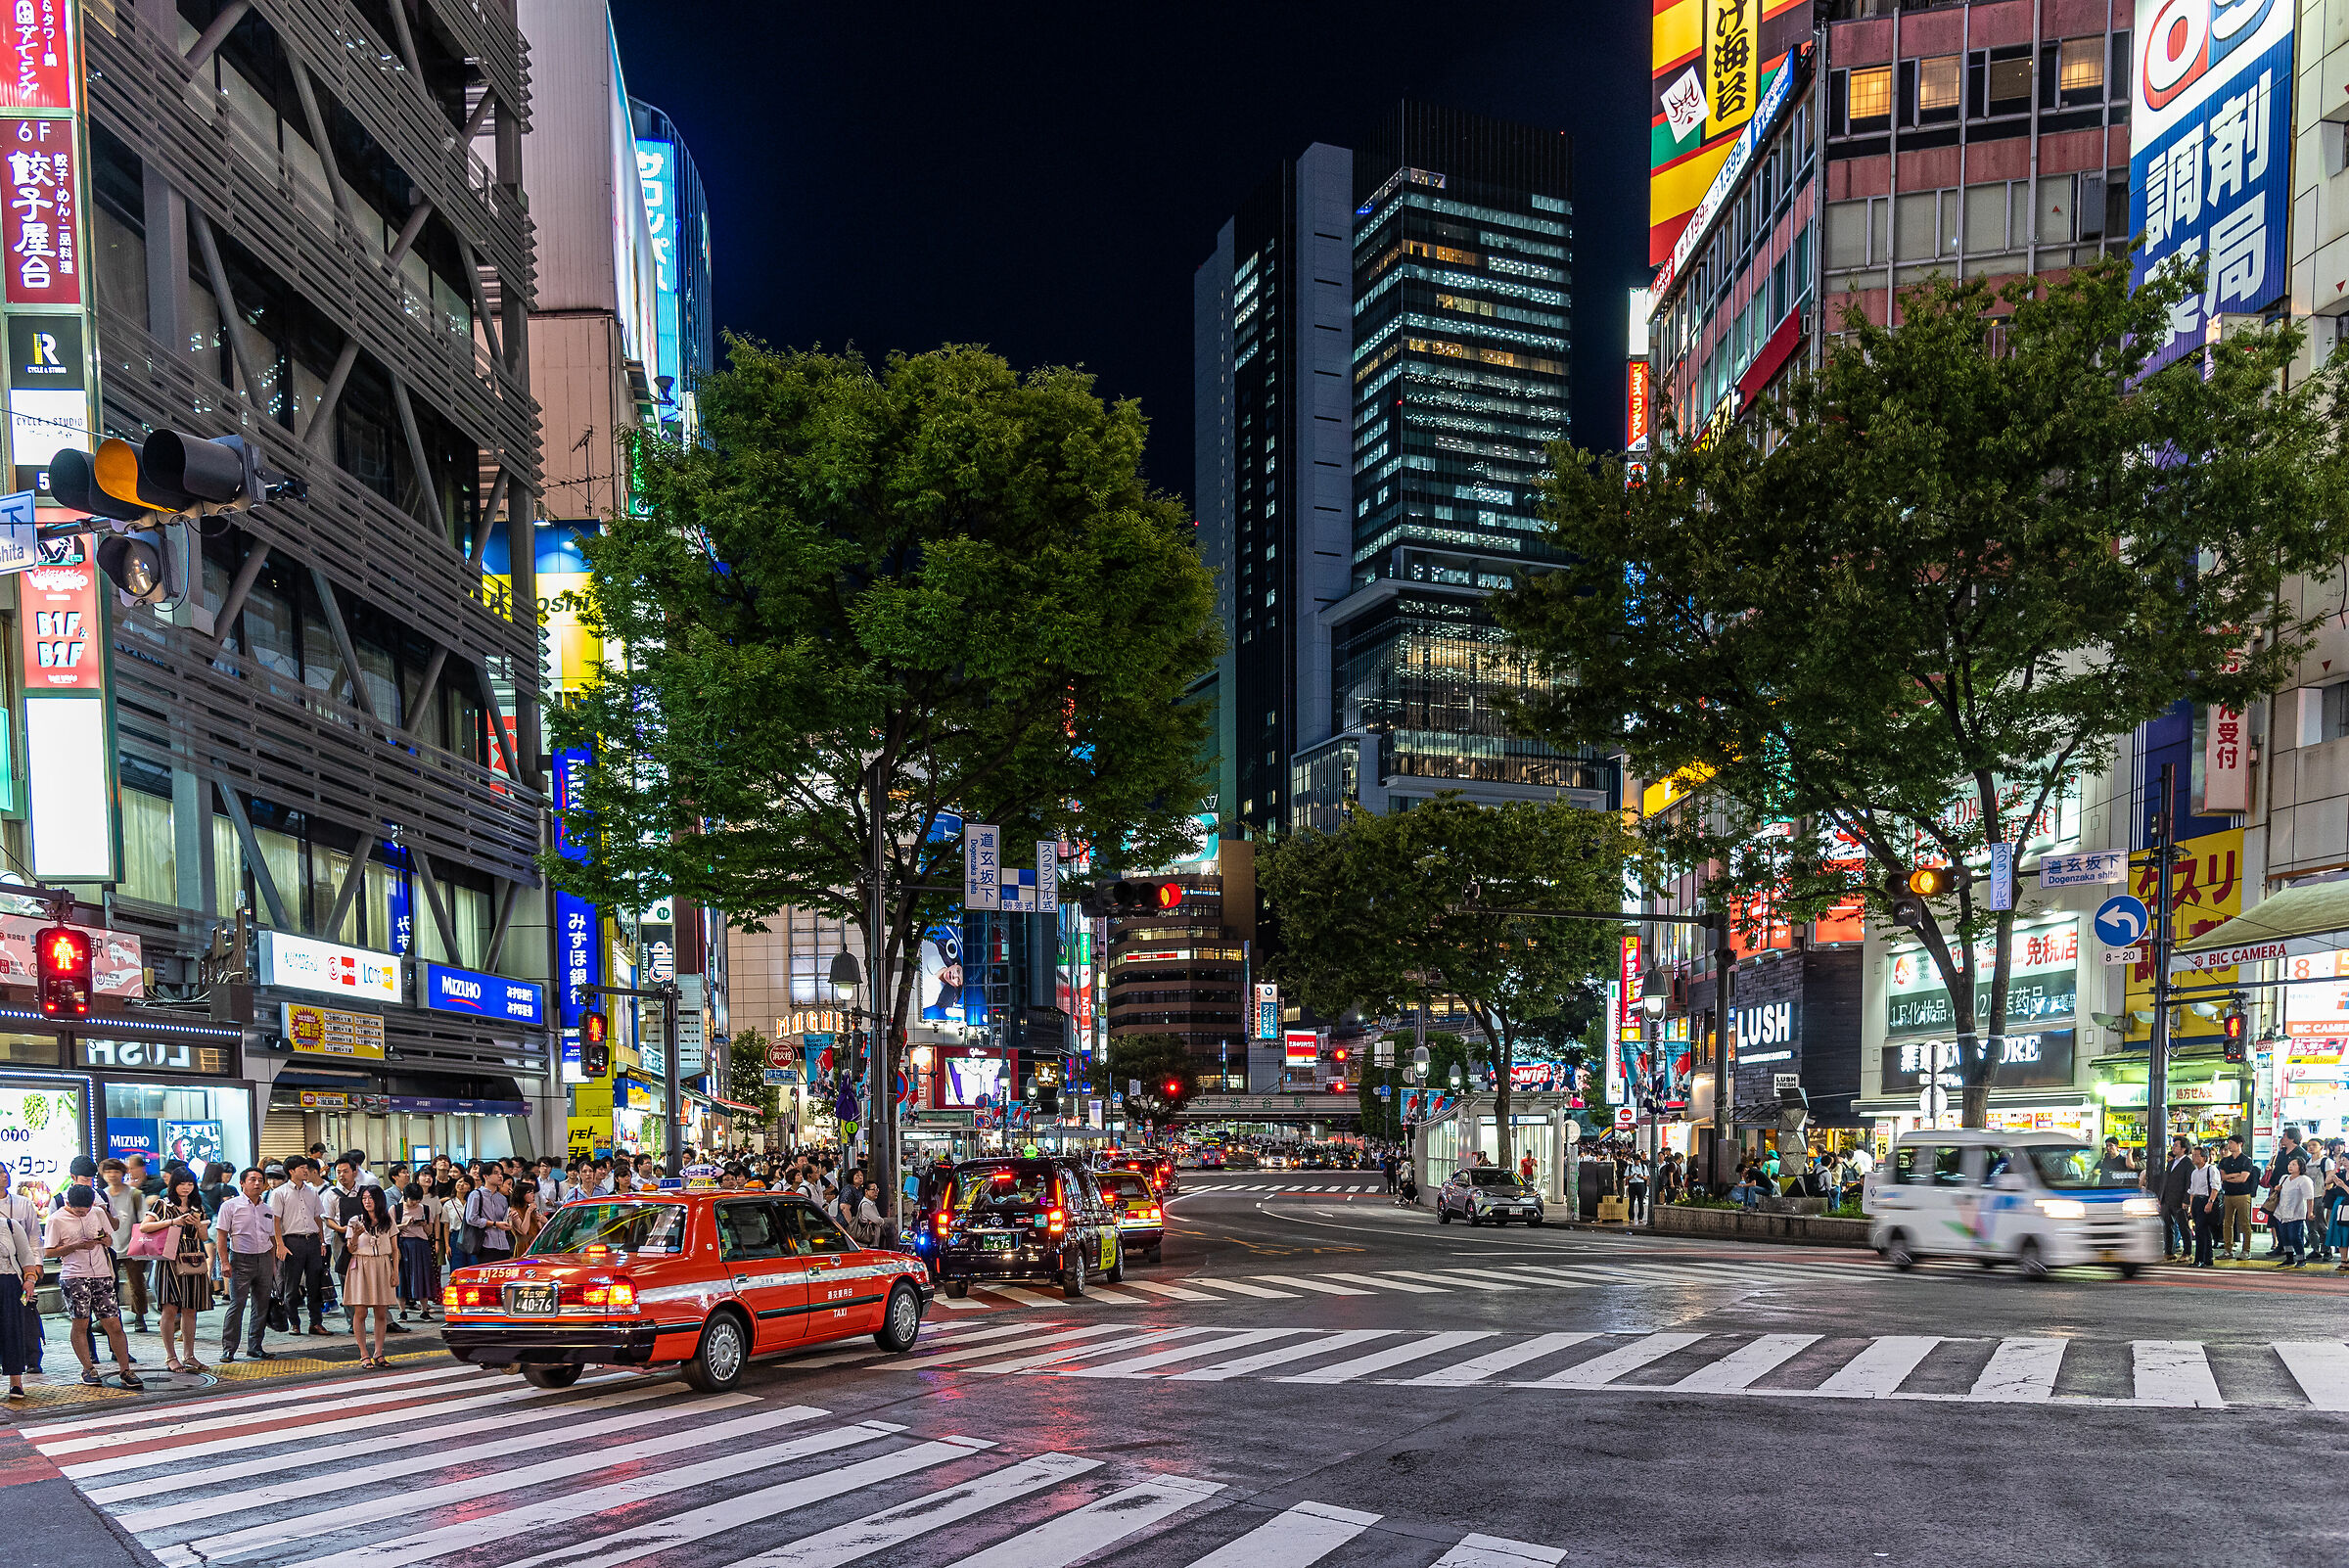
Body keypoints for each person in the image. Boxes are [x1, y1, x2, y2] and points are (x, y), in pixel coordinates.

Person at [47, 1183, 142, 1388]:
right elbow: (49, 1251)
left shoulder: (98, 1212)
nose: (83, 1213)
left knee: (114, 1323)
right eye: (78, 1210)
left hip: (102, 1273)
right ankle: (88, 1368)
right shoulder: (56, 1219)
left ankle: (125, 1370)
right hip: (74, 1276)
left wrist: (102, 1239)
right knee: (81, 1322)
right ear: (68, 1203)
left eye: (87, 1209)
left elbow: (109, 1239)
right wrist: (75, 1246)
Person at [140, 1168, 214, 1372]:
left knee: (191, 1309)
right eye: (182, 1183)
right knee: (170, 1308)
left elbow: (203, 1236)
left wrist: (198, 1224)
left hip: (192, 1259)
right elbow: (144, 1227)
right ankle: (171, 1356)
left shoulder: (197, 1206)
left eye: (190, 1184)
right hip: (169, 1259)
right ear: (174, 1185)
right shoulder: (163, 1204)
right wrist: (173, 1222)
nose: (186, 1188)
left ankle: (189, 1355)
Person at [212, 1167, 283, 1363]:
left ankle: (255, 1346)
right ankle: (229, 1349)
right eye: (252, 1179)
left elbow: (272, 1238)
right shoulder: (230, 1206)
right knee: (237, 1304)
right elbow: (221, 1236)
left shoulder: (267, 1209)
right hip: (241, 1259)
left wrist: (274, 1264)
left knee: (261, 1305)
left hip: (264, 1259)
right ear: (242, 1183)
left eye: (260, 1180)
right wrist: (225, 1262)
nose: (257, 1183)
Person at [268, 1156, 332, 1337]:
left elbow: (318, 1217)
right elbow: (276, 1220)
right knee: (291, 1285)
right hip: (292, 1241)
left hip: (312, 1240)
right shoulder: (279, 1193)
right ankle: (294, 1323)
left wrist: (321, 1241)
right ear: (291, 1171)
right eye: (302, 1168)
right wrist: (279, 1244)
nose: (306, 1171)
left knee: (315, 1284)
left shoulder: (312, 1192)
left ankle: (316, 1323)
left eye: (306, 1168)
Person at [344, 1185, 397, 1366]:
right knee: (361, 1311)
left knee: (381, 1312)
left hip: (382, 1264)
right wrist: (355, 1236)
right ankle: (364, 1353)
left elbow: (395, 1249)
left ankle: (379, 1353)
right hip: (361, 1265)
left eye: (371, 1198)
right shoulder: (355, 1221)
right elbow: (350, 1249)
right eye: (364, 1198)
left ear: (379, 1200)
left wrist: (395, 1272)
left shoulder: (388, 1220)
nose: (367, 1201)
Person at [97, 1158, 150, 1336]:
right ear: (103, 1175)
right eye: (108, 1172)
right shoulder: (101, 1195)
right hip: (109, 1246)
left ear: (123, 1173)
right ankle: (108, 1318)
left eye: (116, 1171)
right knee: (108, 1285)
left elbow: (143, 1219)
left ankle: (139, 1316)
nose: (112, 1175)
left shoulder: (134, 1194)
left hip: (132, 1245)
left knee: (137, 1283)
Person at [0, 1173, 37, 1398]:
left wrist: (30, 1280)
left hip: (8, 1282)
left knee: (12, 1331)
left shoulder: (10, 1225)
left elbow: (26, 1256)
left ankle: (16, 1382)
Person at [395, 1182, 440, 1321]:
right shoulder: (396, 1209)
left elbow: (429, 1231)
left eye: (417, 1200)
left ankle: (424, 1310)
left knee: (423, 1277)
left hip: (421, 1245)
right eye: (411, 1200)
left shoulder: (425, 1209)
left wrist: (424, 1224)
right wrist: (405, 1225)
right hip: (403, 1245)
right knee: (402, 1278)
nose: (414, 1203)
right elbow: (390, 1229)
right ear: (405, 1196)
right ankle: (402, 1311)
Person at [2216, 1134, 2258, 1261]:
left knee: (2244, 1223)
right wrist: (2235, 1175)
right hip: (2228, 1194)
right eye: (2229, 1143)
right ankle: (2227, 1250)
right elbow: (2221, 1177)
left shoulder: (2246, 1160)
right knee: (2227, 1222)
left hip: (2243, 1194)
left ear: (2240, 1144)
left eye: (2232, 1143)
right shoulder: (2224, 1161)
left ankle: (2246, 1250)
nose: (2229, 1145)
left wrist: (2230, 1177)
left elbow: (2243, 1178)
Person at [2272, 1157, 2317, 1268]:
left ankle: (2301, 1258)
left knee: (2294, 1236)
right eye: (2290, 1164)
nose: (2290, 1166)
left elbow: (2310, 1198)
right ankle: (2289, 1258)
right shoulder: (2284, 1178)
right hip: (2281, 1212)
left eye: (2294, 1164)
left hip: (2296, 1213)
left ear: (2301, 1167)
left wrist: (2310, 1212)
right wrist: (2277, 1189)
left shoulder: (2304, 1180)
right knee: (2284, 1236)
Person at [466, 1168, 516, 1266]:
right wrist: (494, 1224)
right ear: (485, 1176)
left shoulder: (502, 1198)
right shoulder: (476, 1195)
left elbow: (504, 1219)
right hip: (485, 1243)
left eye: (501, 1173)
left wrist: (510, 1219)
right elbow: (471, 1219)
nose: (500, 1176)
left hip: (503, 1244)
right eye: (496, 1173)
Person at [2157, 1135, 2193, 1261]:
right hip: (2167, 1199)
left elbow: (2189, 1182)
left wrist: (2186, 1200)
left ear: (2184, 1149)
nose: (2173, 1147)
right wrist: (2161, 1197)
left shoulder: (2188, 1163)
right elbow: (2165, 1181)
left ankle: (2187, 1252)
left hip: (2179, 1200)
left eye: (2176, 1145)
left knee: (2183, 1227)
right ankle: (2169, 1251)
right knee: (2167, 1226)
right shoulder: (2171, 1162)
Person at [2188, 1145, 2223, 1268]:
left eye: (2197, 1155)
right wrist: (2191, 1207)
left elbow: (2215, 1187)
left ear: (2205, 1158)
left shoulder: (2211, 1170)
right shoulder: (2194, 1172)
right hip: (2197, 1201)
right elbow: (2192, 1191)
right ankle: (2208, 1258)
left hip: (2206, 1200)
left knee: (2201, 1231)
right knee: (2203, 1230)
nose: (2194, 1157)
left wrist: (2210, 1202)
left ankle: (2199, 1259)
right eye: (2193, 1155)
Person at [442, 1174, 477, 1273]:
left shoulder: (473, 1201)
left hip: (471, 1236)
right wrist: (447, 1245)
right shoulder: (448, 1204)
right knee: (457, 1267)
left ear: (470, 1188)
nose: (461, 1185)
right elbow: (446, 1226)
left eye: (465, 1183)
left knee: (473, 1265)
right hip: (456, 1236)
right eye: (459, 1182)